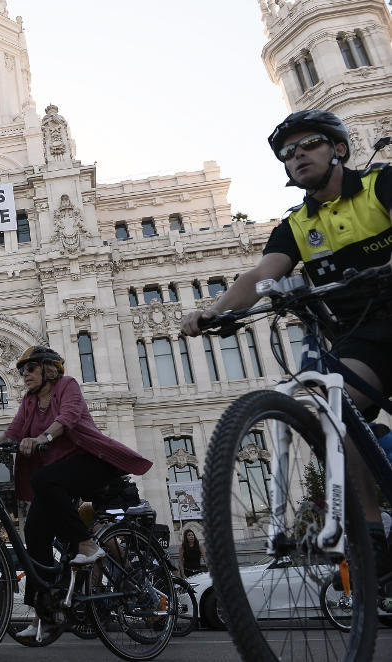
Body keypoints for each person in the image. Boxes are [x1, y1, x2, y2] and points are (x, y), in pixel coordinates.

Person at [181, 109, 392, 575]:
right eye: (287, 152)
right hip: (362, 335)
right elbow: (260, 275)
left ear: (338, 149)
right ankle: (373, 535)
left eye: (309, 144)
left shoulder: (381, 187)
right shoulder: (296, 226)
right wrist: (214, 312)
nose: (297, 156)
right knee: (340, 411)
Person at [0, 346, 153, 638]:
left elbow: (67, 418)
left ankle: (86, 544)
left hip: (90, 464)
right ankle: (44, 614)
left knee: (44, 479)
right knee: (34, 533)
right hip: (59, 478)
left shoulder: (67, 386)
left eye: (29, 368)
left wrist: (42, 436)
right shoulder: (29, 401)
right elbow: (14, 431)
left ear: (48, 369)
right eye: (20, 371)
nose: (23, 375)